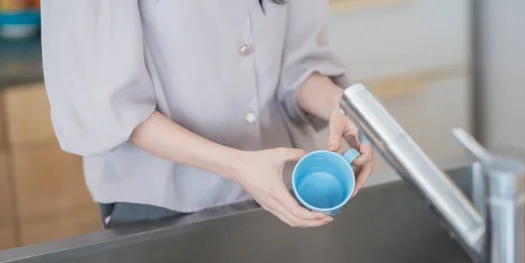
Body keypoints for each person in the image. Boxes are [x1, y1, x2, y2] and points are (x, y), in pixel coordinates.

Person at [41, 0, 374, 228]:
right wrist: (238, 166)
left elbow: (296, 65)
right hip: (161, 206)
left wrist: (340, 106)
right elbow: (108, 105)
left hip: (280, 194)